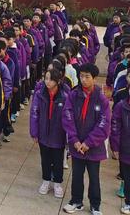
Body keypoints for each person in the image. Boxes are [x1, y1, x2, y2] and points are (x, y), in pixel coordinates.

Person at [62, 63, 110, 215]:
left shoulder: (101, 99)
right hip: (77, 145)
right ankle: (76, 201)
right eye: (81, 76)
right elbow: (67, 116)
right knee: (76, 175)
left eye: (87, 77)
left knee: (94, 177)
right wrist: (75, 139)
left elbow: (104, 124)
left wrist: (88, 142)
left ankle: (95, 205)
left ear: (94, 79)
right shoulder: (73, 95)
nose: (83, 80)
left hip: (93, 147)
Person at [30, 68, 68, 198]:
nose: (47, 81)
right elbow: (34, 113)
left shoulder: (65, 96)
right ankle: (46, 180)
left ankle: (57, 183)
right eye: (46, 78)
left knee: (58, 160)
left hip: (58, 134)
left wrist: (69, 137)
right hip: (43, 133)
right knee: (45, 159)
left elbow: (69, 118)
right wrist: (34, 132)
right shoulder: (40, 94)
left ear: (58, 81)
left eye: (51, 79)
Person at [110, 86, 130, 214]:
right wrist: (115, 147)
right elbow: (115, 128)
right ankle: (128, 202)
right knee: (127, 177)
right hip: (126, 149)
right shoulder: (121, 106)